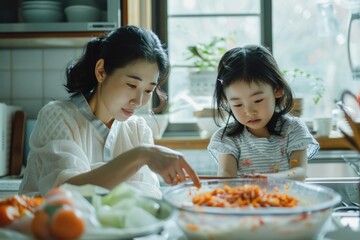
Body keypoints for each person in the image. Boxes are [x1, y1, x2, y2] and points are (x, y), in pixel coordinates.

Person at [19, 25, 200, 197]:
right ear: (101, 71)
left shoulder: (138, 129)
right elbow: (67, 193)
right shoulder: (58, 116)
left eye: (148, 91)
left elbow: (149, 198)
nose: (138, 101)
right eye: (131, 85)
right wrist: (142, 154)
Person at [208, 45, 319, 181]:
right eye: (237, 104)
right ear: (226, 101)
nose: (249, 111)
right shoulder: (227, 138)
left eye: (258, 100)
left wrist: (265, 179)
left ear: (277, 90)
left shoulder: (293, 129)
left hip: (287, 201)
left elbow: (299, 172)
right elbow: (226, 177)